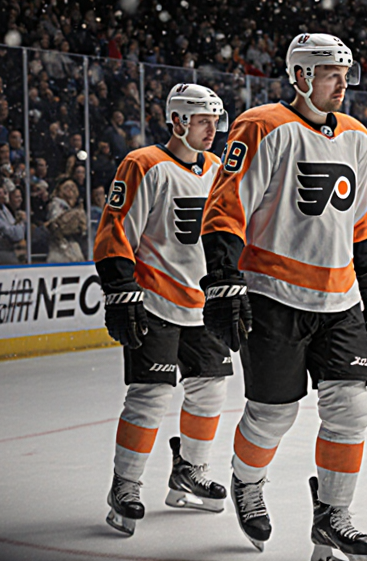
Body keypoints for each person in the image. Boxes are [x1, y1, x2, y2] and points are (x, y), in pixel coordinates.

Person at [199, 33, 367, 558]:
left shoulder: (357, 136)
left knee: (351, 409)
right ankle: (247, 480)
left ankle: (334, 515)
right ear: (301, 76)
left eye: (346, 73)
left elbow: (361, 218)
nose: (343, 84)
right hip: (272, 297)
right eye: (332, 73)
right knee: (272, 414)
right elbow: (226, 206)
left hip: (339, 300)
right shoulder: (261, 125)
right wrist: (222, 276)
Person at [92, 83, 231, 536]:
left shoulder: (217, 168)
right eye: (202, 120)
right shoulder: (143, 164)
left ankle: (190, 469)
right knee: (151, 394)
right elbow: (115, 230)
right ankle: (126, 484)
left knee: (210, 388)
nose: (212, 129)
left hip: (204, 302)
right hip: (154, 301)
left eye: (216, 120)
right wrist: (119, 289)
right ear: (177, 122)